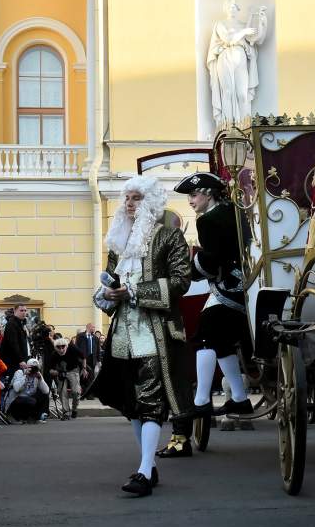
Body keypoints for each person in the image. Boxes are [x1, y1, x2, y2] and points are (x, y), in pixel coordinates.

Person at [85, 175, 192, 496]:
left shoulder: (169, 237)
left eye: (136, 198)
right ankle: (149, 464)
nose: (129, 204)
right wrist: (107, 293)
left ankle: (145, 469)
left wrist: (132, 292)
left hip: (153, 331)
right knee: (132, 401)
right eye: (127, 198)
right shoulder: (120, 243)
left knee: (150, 400)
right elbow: (112, 282)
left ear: (151, 203)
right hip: (123, 335)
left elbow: (181, 281)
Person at [169, 172, 252, 433]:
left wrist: (190, 268)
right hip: (247, 283)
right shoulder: (235, 211)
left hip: (229, 288)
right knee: (219, 340)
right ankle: (238, 398)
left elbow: (211, 260)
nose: (191, 201)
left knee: (206, 333)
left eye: (193, 195)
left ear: (208, 193)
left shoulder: (208, 221)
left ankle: (202, 401)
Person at [207, 0, 268, 129]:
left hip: (240, 58)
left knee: (242, 94)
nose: (232, 8)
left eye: (234, 6)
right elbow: (228, 39)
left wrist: (262, 21)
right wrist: (244, 32)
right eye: (229, 6)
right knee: (227, 92)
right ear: (225, 9)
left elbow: (258, 39)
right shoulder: (220, 24)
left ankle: (245, 129)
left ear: (237, 9)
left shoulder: (243, 25)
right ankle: (227, 129)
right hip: (225, 58)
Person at [46, 337, 86, 419]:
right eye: (58, 347)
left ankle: (74, 409)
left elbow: (83, 357)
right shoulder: (54, 354)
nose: (61, 349)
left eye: (63, 346)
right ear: (55, 347)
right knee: (62, 392)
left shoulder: (72, 348)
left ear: (66, 346)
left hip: (73, 370)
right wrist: (57, 372)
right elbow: (50, 370)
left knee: (76, 392)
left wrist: (84, 368)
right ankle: (66, 412)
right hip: (61, 372)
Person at [0, 304, 30, 379]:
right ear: (15, 311)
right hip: (12, 361)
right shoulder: (12, 324)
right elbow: (13, 343)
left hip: (18, 360)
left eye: (25, 310)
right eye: (21, 310)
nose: (24, 312)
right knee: (13, 384)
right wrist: (20, 360)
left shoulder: (20, 323)